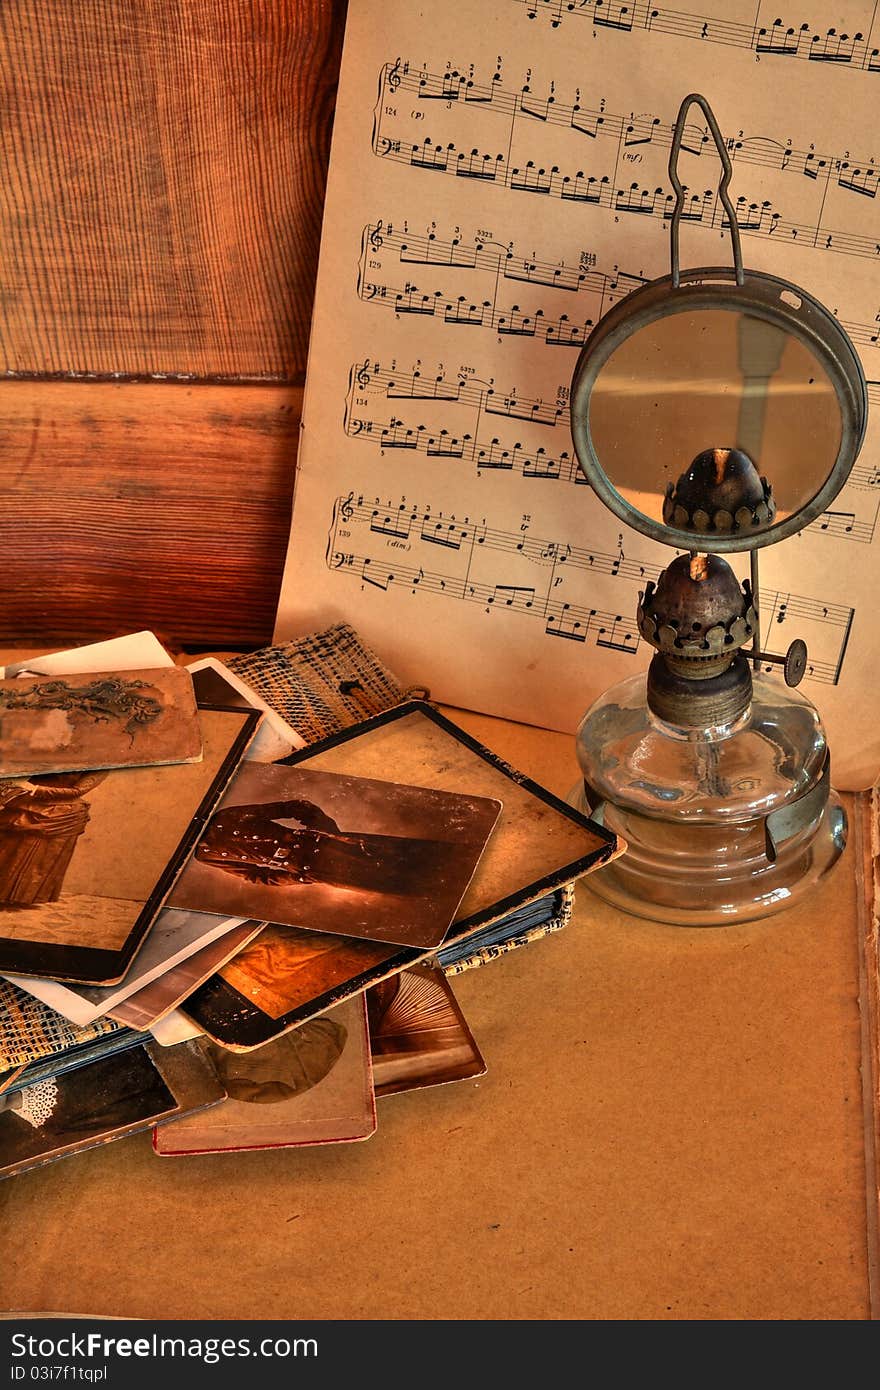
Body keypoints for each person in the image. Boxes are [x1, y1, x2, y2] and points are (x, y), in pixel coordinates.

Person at [194, 794, 459, 895]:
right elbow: (256, 876)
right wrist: (301, 877)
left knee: (426, 857)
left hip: (336, 846)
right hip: (320, 872)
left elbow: (295, 807)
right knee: (409, 887)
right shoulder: (203, 855)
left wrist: (328, 832)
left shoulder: (227, 816)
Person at [0, 772, 106, 907]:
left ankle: (15, 897)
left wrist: (36, 789)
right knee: (7, 850)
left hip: (59, 812)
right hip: (26, 803)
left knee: (37, 858)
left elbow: (77, 791)